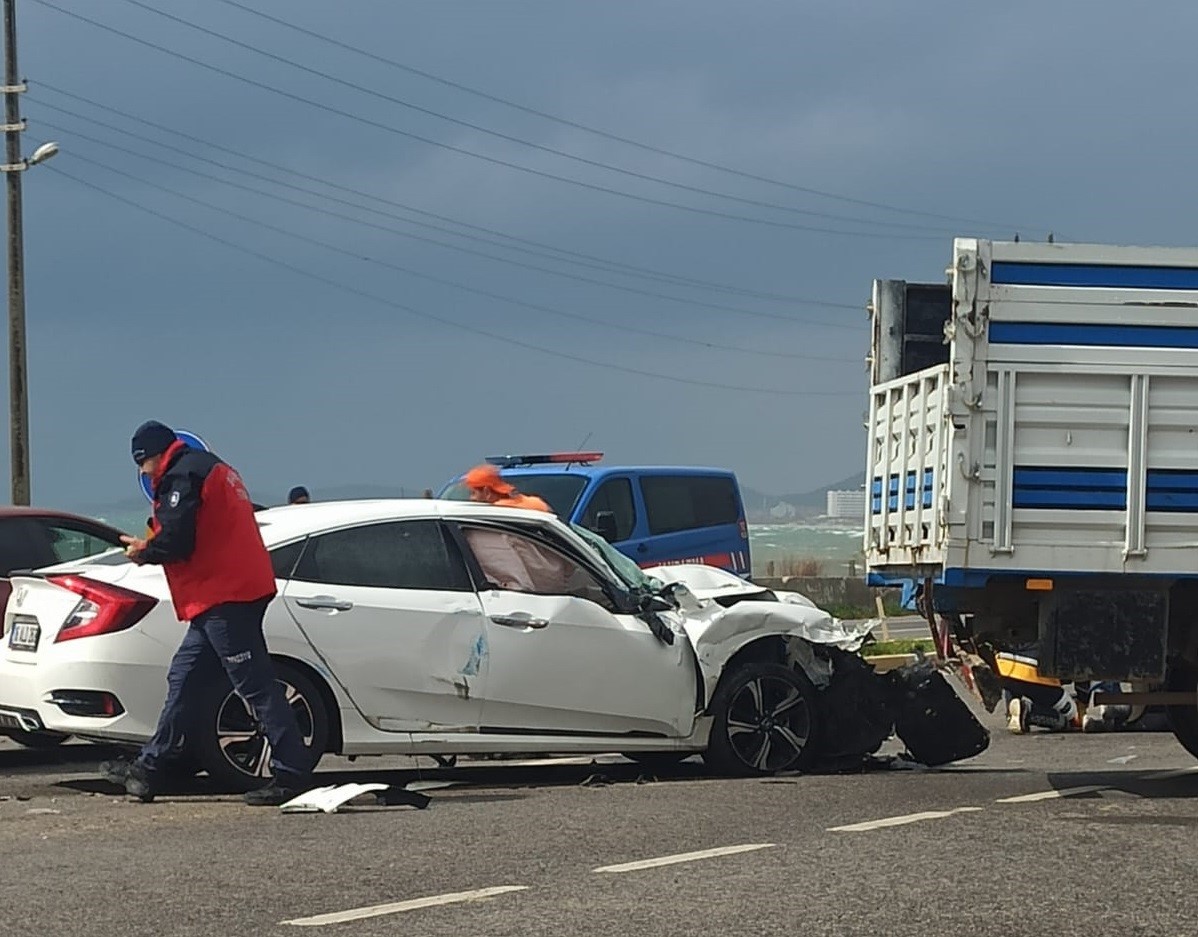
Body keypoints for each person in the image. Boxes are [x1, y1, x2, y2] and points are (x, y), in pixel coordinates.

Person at [104, 421, 312, 806]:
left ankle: (293, 772)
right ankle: (149, 769)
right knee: (184, 679)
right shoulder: (210, 467)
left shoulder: (183, 475)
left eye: (143, 465)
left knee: (255, 684)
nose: (144, 474)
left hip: (225, 595)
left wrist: (143, 552)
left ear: (149, 456)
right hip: (226, 593)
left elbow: (178, 540)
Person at [462, 463, 552, 512]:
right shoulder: (537, 503)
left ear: (487, 492)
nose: (471, 498)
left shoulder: (495, 512)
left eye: (473, 493)